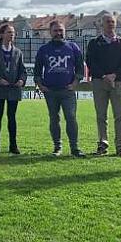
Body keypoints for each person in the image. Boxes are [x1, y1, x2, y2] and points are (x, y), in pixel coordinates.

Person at [34, 20, 86, 158]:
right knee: (54, 118)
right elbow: (37, 71)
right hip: (50, 91)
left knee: (71, 117)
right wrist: (41, 85)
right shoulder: (43, 49)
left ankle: (74, 148)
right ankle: (57, 147)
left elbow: (80, 68)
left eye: (60, 30)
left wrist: (75, 83)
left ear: (65, 31)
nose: (58, 33)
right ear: (50, 32)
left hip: (67, 90)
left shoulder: (73, 47)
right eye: (55, 31)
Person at [85, 13, 121, 157]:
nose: (110, 24)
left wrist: (114, 75)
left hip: (118, 82)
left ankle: (120, 146)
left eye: (113, 22)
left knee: (119, 116)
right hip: (99, 81)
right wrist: (104, 76)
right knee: (101, 115)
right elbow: (91, 62)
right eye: (108, 22)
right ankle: (103, 144)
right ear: (101, 24)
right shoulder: (94, 43)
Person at [0, 24, 26, 154]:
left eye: (13, 32)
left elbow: (23, 70)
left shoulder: (18, 52)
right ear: (2, 34)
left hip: (14, 89)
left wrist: (21, 80)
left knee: (12, 117)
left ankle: (13, 145)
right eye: (9, 32)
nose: (12, 35)